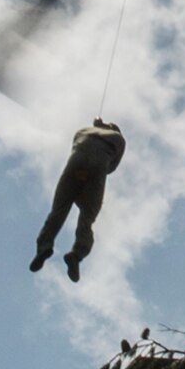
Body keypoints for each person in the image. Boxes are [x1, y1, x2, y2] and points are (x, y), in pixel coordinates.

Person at [30, 119, 126, 282]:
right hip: (100, 164)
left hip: (77, 160)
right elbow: (112, 167)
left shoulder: (82, 131)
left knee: (58, 210)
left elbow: (76, 145)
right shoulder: (119, 139)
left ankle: (44, 247)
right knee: (87, 218)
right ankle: (77, 254)